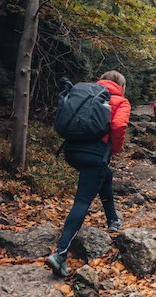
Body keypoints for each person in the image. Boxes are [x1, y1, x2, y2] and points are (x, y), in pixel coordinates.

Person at [46, 70, 130, 278]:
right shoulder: (120, 100)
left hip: (71, 151)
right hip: (94, 154)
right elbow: (118, 126)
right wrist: (114, 148)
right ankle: (60, 253)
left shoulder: (87, 92)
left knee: (105, 175)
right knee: (82, 201)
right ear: (121, 85)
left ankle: (113, 220)